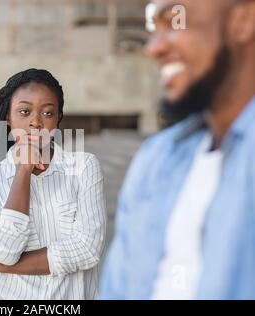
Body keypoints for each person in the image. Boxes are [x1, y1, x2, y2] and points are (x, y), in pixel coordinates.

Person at [100, 0, 255, 299]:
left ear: (244, 21)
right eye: (153, 28)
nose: (153, 48)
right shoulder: (155, 160)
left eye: (173, 22)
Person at [0, 68, 106, 299]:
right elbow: (4, 252)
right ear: (8, 118)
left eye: (48, 113)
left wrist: (5, 267)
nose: (35, 122)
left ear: (58, 118)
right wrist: (23, 171)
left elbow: (88, 250)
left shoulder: (83, 167)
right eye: (24, 111)